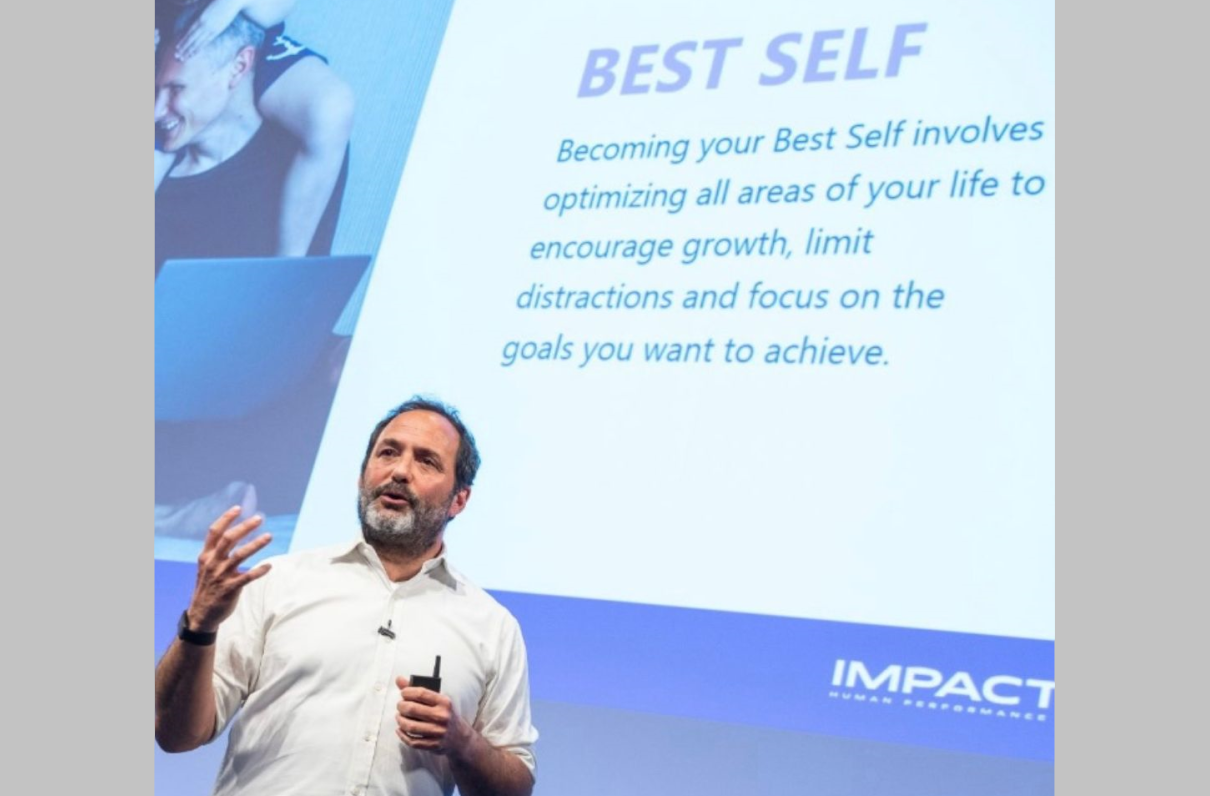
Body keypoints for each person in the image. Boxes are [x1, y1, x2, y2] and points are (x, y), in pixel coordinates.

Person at [154, 398, 539, 796]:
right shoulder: (277, 582)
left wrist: (462, 742)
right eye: (388, 453)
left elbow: (515, 787)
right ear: (361, 476)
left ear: (459, 499)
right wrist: (198, 626)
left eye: (426, 461)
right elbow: (176, 734)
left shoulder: (492, 627)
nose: (399, 471)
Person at [154, 6, 348, 272]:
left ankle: (286, 268)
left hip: (231, 32)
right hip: (165, 37)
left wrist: (229, 5)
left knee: (332, 108)